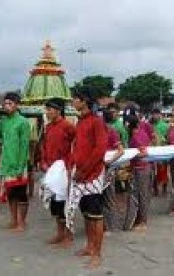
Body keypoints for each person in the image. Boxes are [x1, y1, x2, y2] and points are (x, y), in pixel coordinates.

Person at [67, 90, 108, 269]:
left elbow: (100, 150)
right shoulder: (80, 121)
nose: (72, 102)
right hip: (80, 174)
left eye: (75, 99)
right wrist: (73, 167)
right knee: (86, 214)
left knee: (96, 215)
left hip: (92, 175)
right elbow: (77, 147)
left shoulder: (96, 122)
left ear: (84, 101)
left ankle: (97, 254)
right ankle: (90, 247)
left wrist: (84, 170)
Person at [40, 98, 75, 247]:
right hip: (51, 169)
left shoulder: (68, 126)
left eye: (49, 109)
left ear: (58, 110)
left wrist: (70, 167)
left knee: (65, 203)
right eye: (46, 110)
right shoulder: (47, 127)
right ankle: (60, 234)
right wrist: (43, 161)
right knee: (55, 204)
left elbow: (76, 146)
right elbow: (45, 146)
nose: (47, 112)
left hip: (63, 169)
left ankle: (68, 235)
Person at [0, 93, 31, 232]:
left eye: (10, 103)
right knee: (10, 193)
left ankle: (22, 222)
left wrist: (20, 166)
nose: (7, 106)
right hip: (6, 162)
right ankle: (13, 219)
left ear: (17, 105)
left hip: (19, 162)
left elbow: (24, 146)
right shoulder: (4, 121)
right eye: (6, 103)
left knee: (21, 193)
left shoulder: (23, 122)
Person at [124, 114, 153, 231]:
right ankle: (139, 219)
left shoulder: (136, 137)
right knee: (141, 194)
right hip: (144, 167)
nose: (125, 125)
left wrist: (132, 156)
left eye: (126, 123)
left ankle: (142, 221)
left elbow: (144, 153)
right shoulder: (142, 133)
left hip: (140, 168)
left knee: (140, 195)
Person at [102, 109, 124, 234]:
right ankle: (104, 224)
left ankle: (109, 225)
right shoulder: (102, 132)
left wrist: (109, 162)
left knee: (108, 196)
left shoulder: (112, 132)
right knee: (101, 196)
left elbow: (121, 151)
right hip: (100, 167)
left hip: (108, 168)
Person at [150, 108, 169, 196]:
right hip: (153, 151)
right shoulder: (149, 125)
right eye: (153, 114)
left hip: (163, 151)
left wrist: (163, 140)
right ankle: (155, 189)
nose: (155, 116)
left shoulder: (165, 125)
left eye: (156, 114)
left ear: (160, 115)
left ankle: (164, 188)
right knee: (153, 171)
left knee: (163, 170)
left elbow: (168, 138)